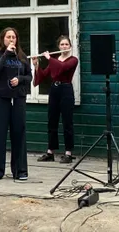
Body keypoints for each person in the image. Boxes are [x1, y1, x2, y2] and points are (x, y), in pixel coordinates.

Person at [0, 27, 32, 181]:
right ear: (3, 39)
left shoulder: (22, 56)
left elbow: (29, 77)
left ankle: (20, 170)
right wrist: (6, 54)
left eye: (14, 37)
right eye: (8, 37)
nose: (11, 39)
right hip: (1, 98)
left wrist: (20, 80)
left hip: (18, 98)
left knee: (19, 133)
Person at [32, 35, 78, 164]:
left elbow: (62, 68)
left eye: (66, 44)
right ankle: (50, 152)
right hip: (54, 90)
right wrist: (36, 65)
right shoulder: (55, 60)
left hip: (66, 90)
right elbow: (44, 75)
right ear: (58, 46)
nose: (64, 47)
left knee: (67, 122)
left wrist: (49, 58)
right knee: (52, 121)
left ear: (70, 46)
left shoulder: (73, 60)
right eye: (62, 45)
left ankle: (68, 153)